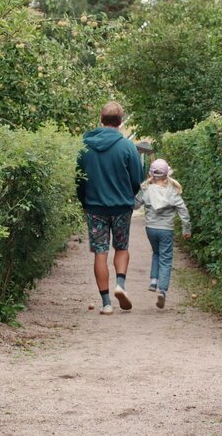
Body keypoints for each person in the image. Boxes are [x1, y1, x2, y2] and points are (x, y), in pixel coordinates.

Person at [77, 101, 144, 315]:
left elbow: (79, 179)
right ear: (121, 121)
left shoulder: (85, 146)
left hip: (95, 206)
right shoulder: (127, 147)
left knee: (100, 252)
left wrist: (84, 201)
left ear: (101, 119)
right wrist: (128, 196)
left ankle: (106, 303)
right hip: (121, 206)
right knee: (122, 247)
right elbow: (137, 178)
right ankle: (120, 286)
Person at [134, 158, 191, 309]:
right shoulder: (172, 191)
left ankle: (153, 281)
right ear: (167, 174)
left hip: (151, 229)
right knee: (166, 259)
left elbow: (135, 205)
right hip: (166, 229)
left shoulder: (146, 189)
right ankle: (163, 290)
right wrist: (186, 228)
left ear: (150, 174)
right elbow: (183, 210)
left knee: (156, 253)